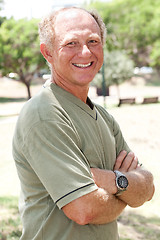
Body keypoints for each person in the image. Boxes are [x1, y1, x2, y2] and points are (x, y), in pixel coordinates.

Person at [12, 7, 155, 240]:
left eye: (93, 41)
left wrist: (109, 180)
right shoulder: (44, 114)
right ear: (47, 52)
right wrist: (126, 189)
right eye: (71, 44)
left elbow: (147, 189)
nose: (85, 52)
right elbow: (84, 209)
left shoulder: (104, 117)